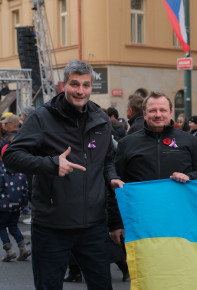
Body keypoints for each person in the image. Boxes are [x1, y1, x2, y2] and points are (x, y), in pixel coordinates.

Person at [3, 60, 123, 289]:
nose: (80, 91)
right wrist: (50, 164)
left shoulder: (100, 119)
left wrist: (112, 177)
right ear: (63, 85)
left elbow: (107, 161)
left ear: (91, 87)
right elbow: (11, 155)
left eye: (86, 85)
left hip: (94, 225)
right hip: (51, 226)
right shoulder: (41, 117)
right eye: (74, 84)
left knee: (102, 286)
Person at [108, 91, 197, 245]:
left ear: (170, 112)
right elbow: (116, 184)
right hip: (140, 222)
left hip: (181, 221)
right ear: (144, 114)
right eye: (152, 111)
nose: (158, 115)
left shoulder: (190, 141)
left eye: (163, 110)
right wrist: (115, 223)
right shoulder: (127, 143)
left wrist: (190, 177)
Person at [0, 144, 31, 262]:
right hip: (17, 204)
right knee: (13, 225)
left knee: (1, 226)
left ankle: (9, 250)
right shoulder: (20, 171)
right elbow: (25, 189)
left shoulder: (1, 170)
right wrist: (24, 204)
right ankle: (23, 247)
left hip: (2, 205)